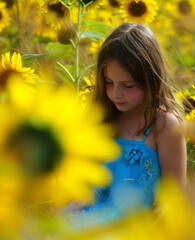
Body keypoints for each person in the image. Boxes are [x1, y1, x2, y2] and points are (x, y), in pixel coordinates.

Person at [67, 23, 187, 227]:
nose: (116, 94)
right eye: (109, 82)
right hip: (81, 225)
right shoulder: (102, 118)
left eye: (128, 85)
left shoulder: (164, 126)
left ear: (150, 79)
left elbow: (174, 202)